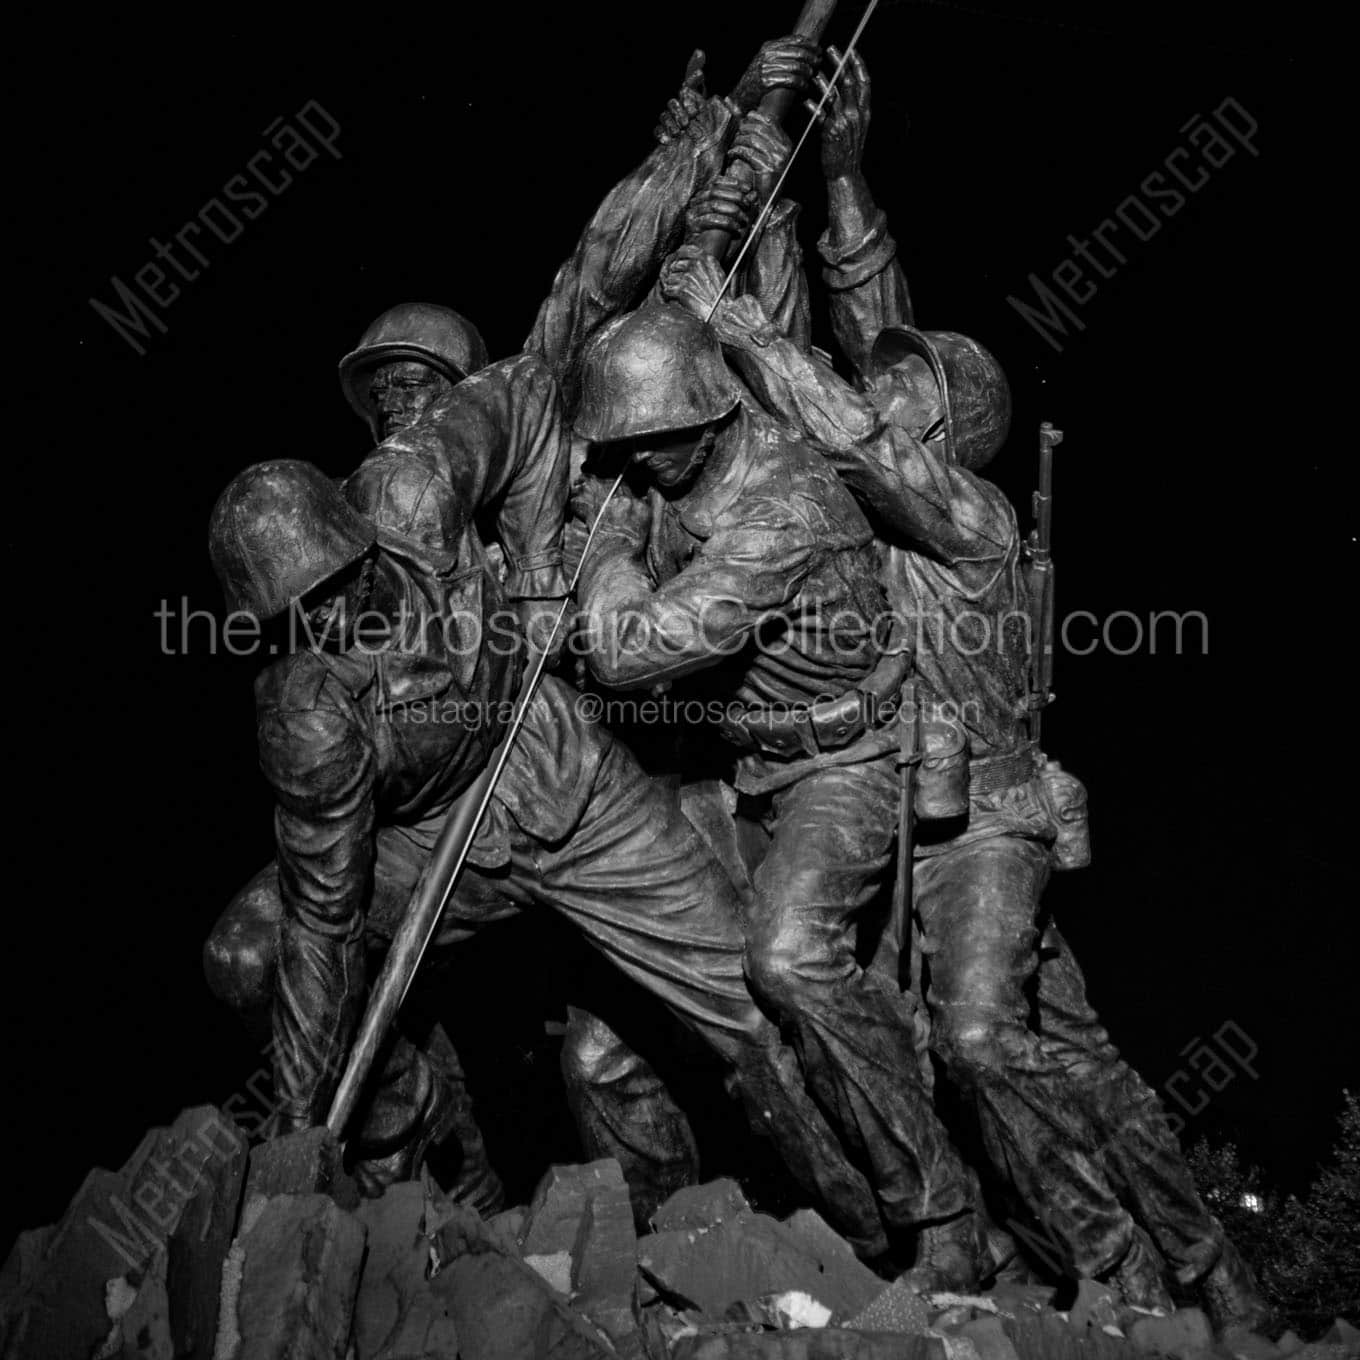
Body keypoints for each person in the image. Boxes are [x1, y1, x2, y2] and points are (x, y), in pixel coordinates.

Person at [656, 46, 1268, 1331]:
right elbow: (862, 318)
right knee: (1076, 1061)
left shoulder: (967, 515)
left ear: (934, 425)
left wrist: (738, 324)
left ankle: (1135, 1268)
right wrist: (838, 177)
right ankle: (1201, 1267)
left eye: (901, 384)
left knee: (980, 1044)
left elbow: (840, 411)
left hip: (983, 824)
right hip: (905, 803)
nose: (872, 381)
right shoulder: (878, 503)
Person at [205, 445, 890, 1255]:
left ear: (359, 543)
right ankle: (413, 1145)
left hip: (565, 780)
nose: (319, 621)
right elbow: (326, 912)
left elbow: (527, 398)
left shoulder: (417, 501)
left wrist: (537, 559)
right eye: (293, 614)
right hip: (425, 843)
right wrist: (298, 1119)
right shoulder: (305, 712)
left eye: (326, 588)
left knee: (747, 1005)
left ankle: (877, 1230)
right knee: (249, 954)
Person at [572, 301, 983, 1288]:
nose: (638, 460)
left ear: (713, 415)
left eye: (655, 441)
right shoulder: (667, 460)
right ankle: (670, 1246)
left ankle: (943, 1209)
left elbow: (628, 653)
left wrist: (614, 546)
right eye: (624, 445)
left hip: (842, 765)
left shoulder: (785, 505)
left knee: (791, 958)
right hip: (729, 764)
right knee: (601, 1035)